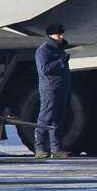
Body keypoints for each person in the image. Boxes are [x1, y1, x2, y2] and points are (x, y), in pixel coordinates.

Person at [34, 22, 72, 159]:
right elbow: (44, 69)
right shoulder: (43, 51)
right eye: (58, 34)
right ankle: (40, 148)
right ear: (50, 35)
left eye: (62, 34)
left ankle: (57, 149)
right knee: (46, 119)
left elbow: (65, 74)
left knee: (58, 121)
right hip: (50, 90)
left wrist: (68, 90)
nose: (61, 36)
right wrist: (60, 62)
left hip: (61, 89)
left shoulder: (60, 50)